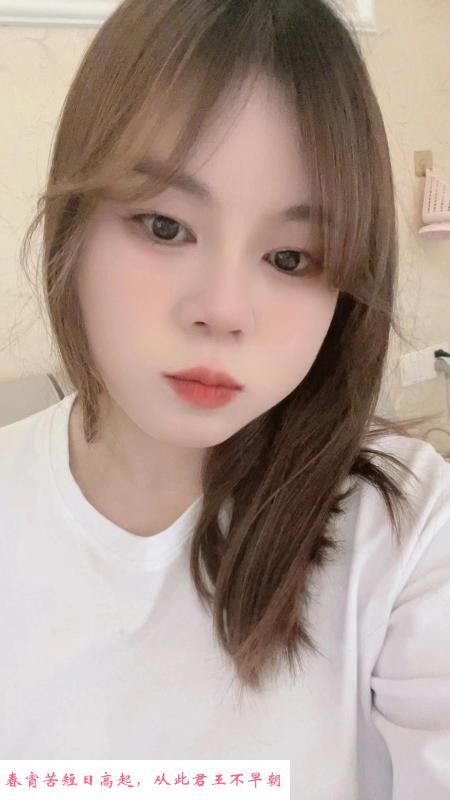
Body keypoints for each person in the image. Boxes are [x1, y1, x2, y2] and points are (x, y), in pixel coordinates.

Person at [1, 0, 449, 795]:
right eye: (164, 227)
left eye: (290, 257)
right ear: (74, 223)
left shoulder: (406, 527)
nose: (223, 309)